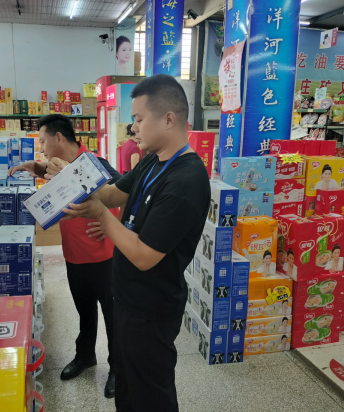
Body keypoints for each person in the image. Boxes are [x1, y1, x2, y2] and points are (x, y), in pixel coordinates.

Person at [49, 74, 210, 411]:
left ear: (168, 119)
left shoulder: (186, 180)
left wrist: (100, 216)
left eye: (139, 119)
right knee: (127, 386)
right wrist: (72, 176)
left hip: (152, 308)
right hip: (126, 297)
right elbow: (112, 194)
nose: (133, 127)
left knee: (151, 394)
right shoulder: (152, 159)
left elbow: (143, 255)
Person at [8, 114, 121, 398]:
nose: (42, 148)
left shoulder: (94, 163)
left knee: (113, 316)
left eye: (43, 141)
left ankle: (118, 368)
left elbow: (125, 192)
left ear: (59, 138)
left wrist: (112, 221)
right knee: (84, 311)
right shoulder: (59, 166)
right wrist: (34, 167)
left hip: (104, 258)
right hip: (74, 256)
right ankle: (85, 356)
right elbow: (52, 172)